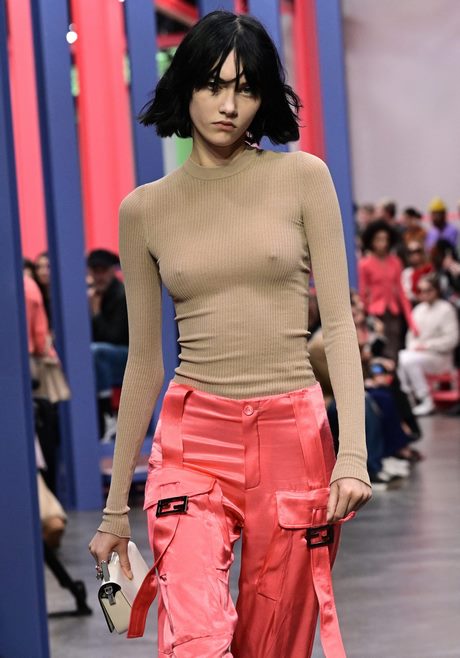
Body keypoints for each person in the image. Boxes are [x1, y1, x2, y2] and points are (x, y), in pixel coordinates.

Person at [89, 11, 371, 657]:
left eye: (246, 89)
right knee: (195, 640)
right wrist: (113, 511)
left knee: (273, 644)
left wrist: (352, 455)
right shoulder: (144, 210)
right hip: (193, 438)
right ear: (185, 86)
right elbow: (144, 361)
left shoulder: (303, 179)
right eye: (213, 85)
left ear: (263, 97)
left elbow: (339, 326)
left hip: (293, 437)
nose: (228, 105)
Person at [398, 273, 459, 416]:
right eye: (421, 291)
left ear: (436, 290)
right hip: (418, 355)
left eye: (428, 290)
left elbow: (452, 339)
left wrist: (427, 346)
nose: (424, 294)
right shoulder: (418, 310)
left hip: (440, 358)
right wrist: (414, 347)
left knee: (407, 359)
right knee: (403, 356)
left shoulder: (446, 309)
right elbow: (410, 336)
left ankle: (425, 398)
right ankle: (408, 397)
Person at [358, 219, 416, 361]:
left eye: (385, 239)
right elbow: (363, 292)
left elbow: (401, 292)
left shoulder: (395, 262)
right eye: (378, 239)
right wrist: (364, 316)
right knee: (377, 352)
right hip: (374, 314)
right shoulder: (365, 264)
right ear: (371, 241)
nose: (382, 243)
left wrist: (411, 321)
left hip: (393, 313)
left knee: (394, 351)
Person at [87, 249, 129, 440]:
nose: (99, 276)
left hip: (127, 356)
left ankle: (108, 415)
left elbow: (113, 337)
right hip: (103, 359)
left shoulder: (121, 295)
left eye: (103, 270)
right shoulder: (92, 295)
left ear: (113, 271)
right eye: (95, 271)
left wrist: (96, 313)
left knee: (96, 352)